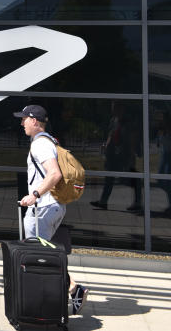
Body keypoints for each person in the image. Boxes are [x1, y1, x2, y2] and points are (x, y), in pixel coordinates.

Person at [15, 104, 89, 314]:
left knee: (41, 258)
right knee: (46, 255)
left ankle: (71, 290)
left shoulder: (40, 144)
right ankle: (61, 293)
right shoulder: (50, 140)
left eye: (24, 119)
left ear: (34, 121)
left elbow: (55, 174)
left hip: (43, 209)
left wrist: (34, 195)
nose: (21, 123)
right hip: (53, 207)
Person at [90, 102, 142, 211]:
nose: (113, 110)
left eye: (115, 108)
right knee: (109, 177)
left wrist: (131, 154)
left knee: (128, 178)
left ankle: (138, 202)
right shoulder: (114, 120)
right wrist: (106, 145)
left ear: (121, 108)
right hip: (113, 154)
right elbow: (111, 134)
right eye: (112, 108)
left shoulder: (128, 121)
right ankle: (103, 202)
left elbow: (132, 137)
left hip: (125, 153)